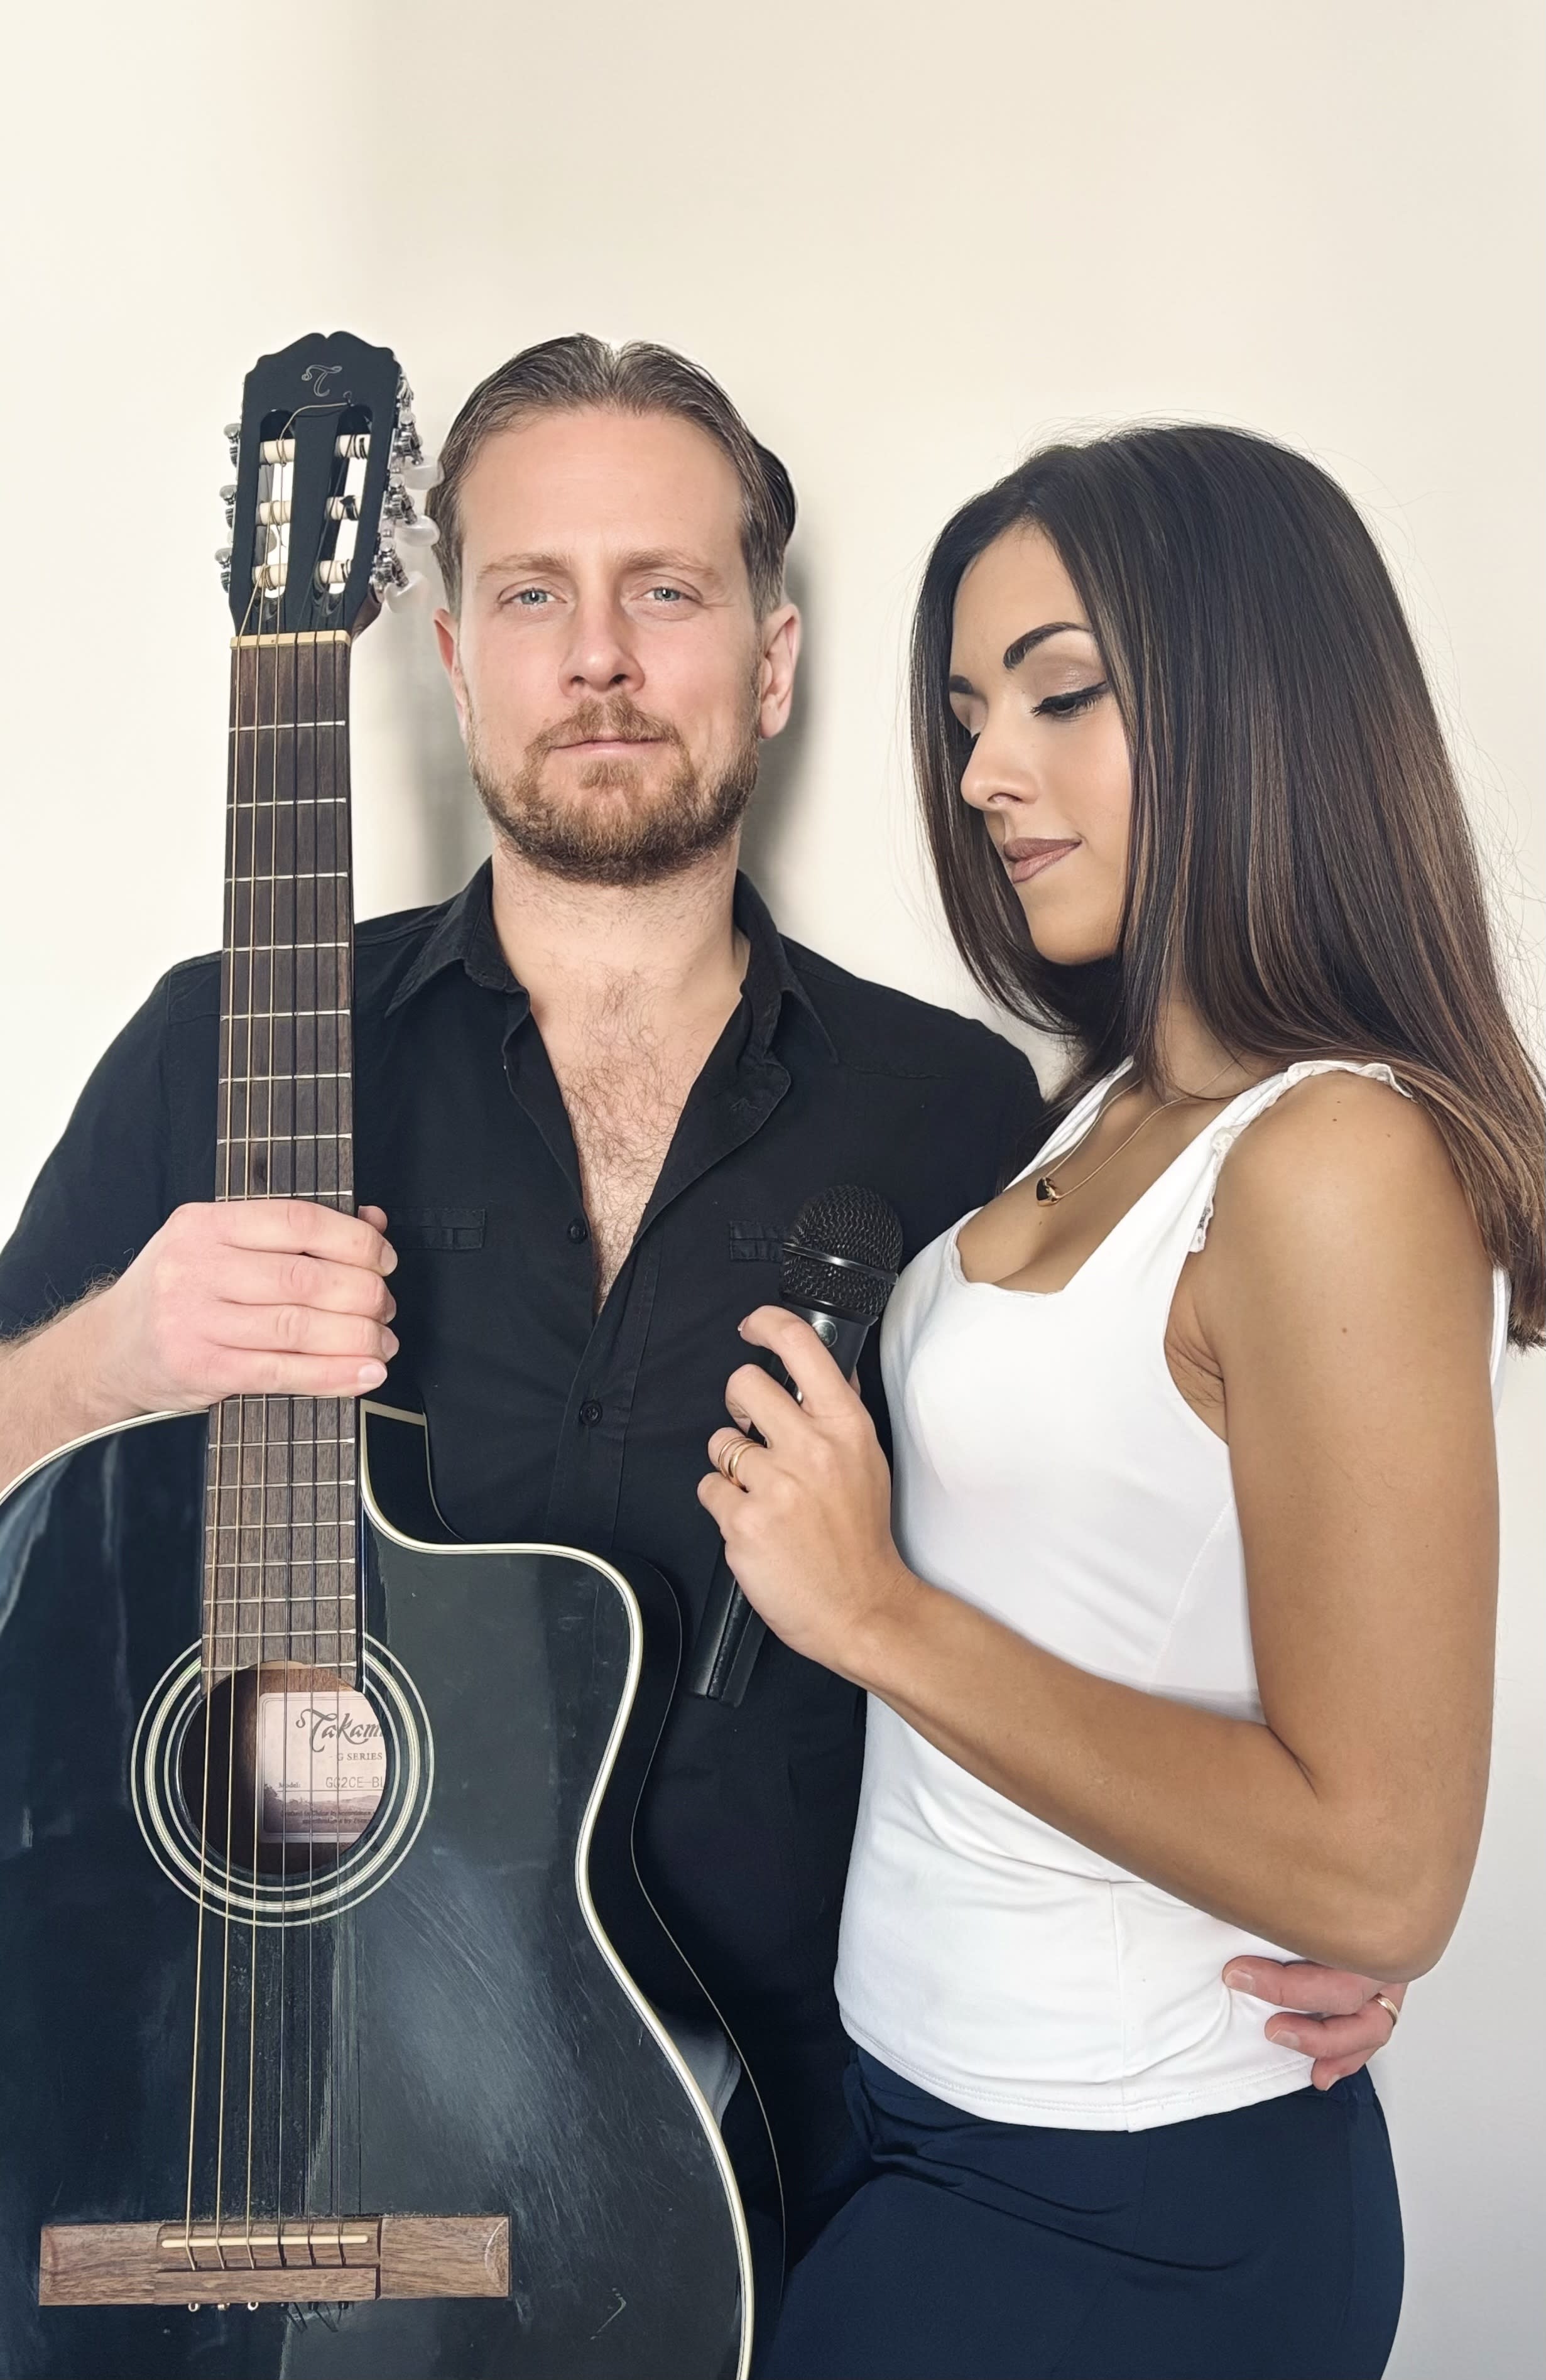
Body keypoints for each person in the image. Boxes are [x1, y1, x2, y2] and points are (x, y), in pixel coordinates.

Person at [0, 355, 1400, 2256]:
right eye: (532, 594)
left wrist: (1289, 1875)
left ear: (771, 661)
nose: (599, 657)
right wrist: (110, 1357)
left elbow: (1113, 1554)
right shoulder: (222, 1044)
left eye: (664, 590)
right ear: (450, 658)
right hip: (260, 2097)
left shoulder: (963, 1115)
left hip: (809, 2148)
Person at [700, 423, 1545, 2376]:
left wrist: (875, 1614)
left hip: (1122, 2201)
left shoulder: (1336, 1159)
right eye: (967, 716)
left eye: (1060, 695)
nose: (984, 773)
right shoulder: (1105, 1113)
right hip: (917, 2114)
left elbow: (1383, 1870)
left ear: (1259, 702)